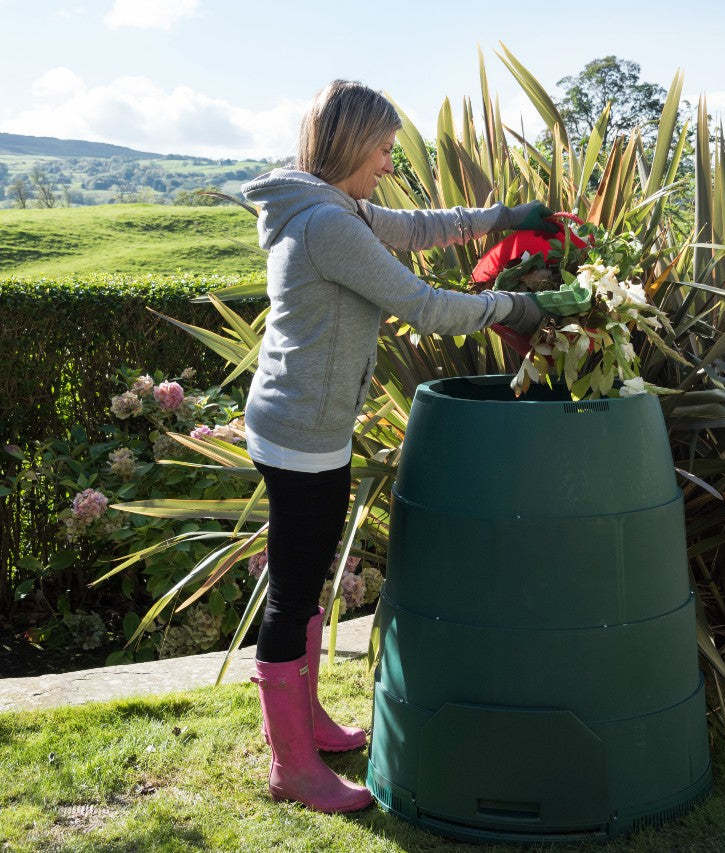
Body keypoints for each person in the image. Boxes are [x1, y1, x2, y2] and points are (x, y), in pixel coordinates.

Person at [240, 79, 554, 814]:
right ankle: (292, 766)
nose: (388, 162)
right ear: (351, 146)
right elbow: (425, 305)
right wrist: (520, 306)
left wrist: (503, 216)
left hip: (302, 420)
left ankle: (305, 723)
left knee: (308, 574)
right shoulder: (327, 224)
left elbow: (416, 226)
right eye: (383, 149)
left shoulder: (334, 206)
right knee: (292, 592)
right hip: (299, 433)